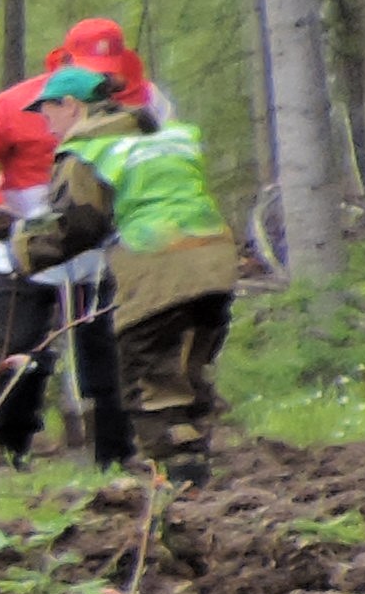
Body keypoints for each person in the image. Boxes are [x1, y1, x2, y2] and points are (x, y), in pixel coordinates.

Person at [0, 15, 171, 461]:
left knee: (107, 356)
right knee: (21, 353)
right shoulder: (17, 105)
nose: (98, 81)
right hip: (24, 247)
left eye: (106, 74)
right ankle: (11, 451)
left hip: (103, 250)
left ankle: (114, 458)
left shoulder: (146, 104)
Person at [25, 67, 238, 480]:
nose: (45, 123)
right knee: (189, 370)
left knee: (149, 378)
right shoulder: (164, 137)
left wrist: (21, 249)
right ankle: (195, 469)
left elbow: (76, 227)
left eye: (46, 111)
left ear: (71, 105)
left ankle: (176, 482)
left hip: (156, 264)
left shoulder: (89, 149)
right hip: (215, 261)